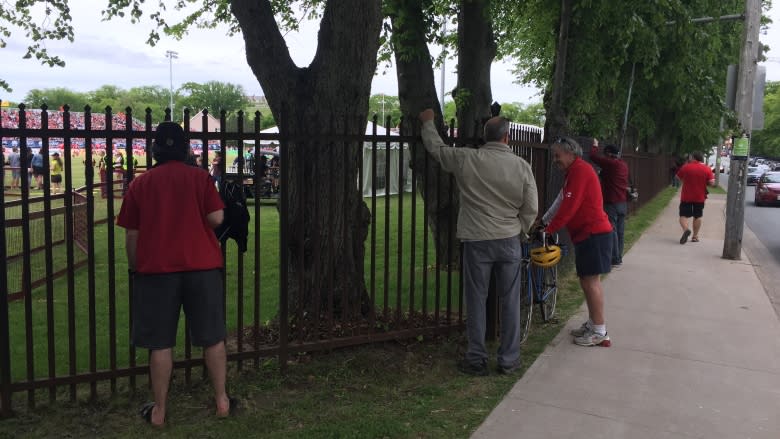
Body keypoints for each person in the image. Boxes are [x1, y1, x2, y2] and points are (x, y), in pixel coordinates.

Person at [116, 121, 235, 427]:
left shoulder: (140, 184)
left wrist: (135, 266)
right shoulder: (200, 178)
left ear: (154, 149)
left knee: (160, 343)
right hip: (202, 267)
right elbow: (216, 217)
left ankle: (159, 410)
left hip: (156, 270)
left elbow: (132, 235)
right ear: (185, 148)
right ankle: (222, 400)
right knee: (213, 338)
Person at [418, 108, 538, 376]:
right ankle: (508, 359)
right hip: (508, 238)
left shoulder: (467, 159)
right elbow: (531, 206)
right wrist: (520, 228)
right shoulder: (521, 166)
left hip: (476, 239)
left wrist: (428, 123)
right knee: (509, 300)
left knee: (476, 299)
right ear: (507, 138)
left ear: (487, 137)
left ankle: (476, 357)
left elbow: (437, 149)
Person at [541, 136, 614, 347]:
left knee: (591, 282)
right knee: (586, 281)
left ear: (571, 153)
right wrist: (544, 222)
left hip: (594, 234)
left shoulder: (580, 171)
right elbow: (561, 201)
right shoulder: (572, 172)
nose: (555, 159)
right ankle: (594, 324)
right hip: (587, 234)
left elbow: (569, 207)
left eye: (558, 155)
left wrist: (549, 230)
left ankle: (600, 331)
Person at [589, 140, 629, 266]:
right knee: (620, 232)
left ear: (609, 154)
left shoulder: (611, 164)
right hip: (622, 202)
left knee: (612, 230)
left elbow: (593, 157)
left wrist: (595, 144)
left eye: (605, 154)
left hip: (612, 203)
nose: (604, 157)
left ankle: (615, 258)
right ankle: (619, 257)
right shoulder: (623, 165)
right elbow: (610, 176)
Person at [675, 151, 715, 244]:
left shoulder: (686, 167)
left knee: (683, 215)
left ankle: (686, 230)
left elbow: (677, 178)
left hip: (686, 196)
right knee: (698, 216)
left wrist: (685, 179)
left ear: (693, 157)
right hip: (700, 197)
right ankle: (695, 236)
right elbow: (712, 183)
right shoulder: (707, 168)